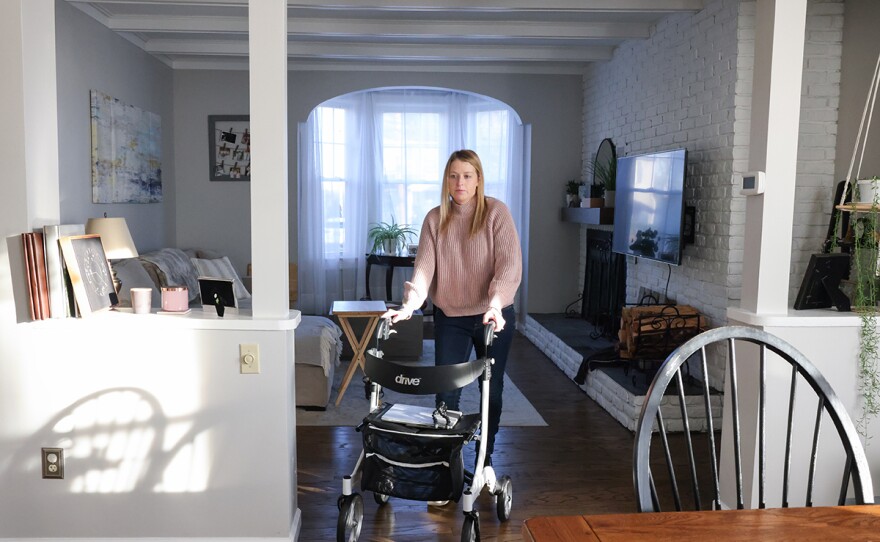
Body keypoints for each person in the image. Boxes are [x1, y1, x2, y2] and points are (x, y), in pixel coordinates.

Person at [382, 149, 522, 483]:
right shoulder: (435, 218)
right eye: (454, 175)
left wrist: (495, 303)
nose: (460, 182)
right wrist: (409, 305)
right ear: (446, 179)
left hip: (493, 317)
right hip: (452, 318)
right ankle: (447, 461)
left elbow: (508, 265)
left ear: (478, 180)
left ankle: (485, 459)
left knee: (493, 391)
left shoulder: (496, 213)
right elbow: (424, 269)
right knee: (447, 392)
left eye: (467, 175)